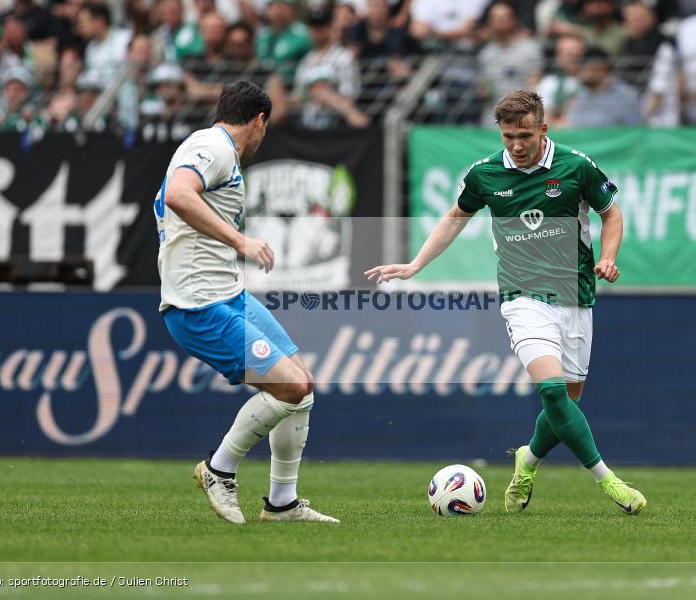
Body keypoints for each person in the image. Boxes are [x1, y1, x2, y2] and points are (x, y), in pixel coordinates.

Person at [365, 89, 647, 516]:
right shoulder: (485, 174)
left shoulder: (577, 166)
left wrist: (607, 258)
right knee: (552, 392)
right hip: (522, 296)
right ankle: (610, 482)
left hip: (575, 296)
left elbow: (612, 213)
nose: (516, 145)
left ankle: (527, 461)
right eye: (508, 136)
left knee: (566, 401)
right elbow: (454, 218)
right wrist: (415, 264)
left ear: (543, 130)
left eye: (525, 136)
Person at [156, 81, 339, 525]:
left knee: (301, 383)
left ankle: (281, 503)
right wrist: (241, 240)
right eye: (266, 128)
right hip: (198, 304)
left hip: (227, 294)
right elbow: (179, 195)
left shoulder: (217, 153)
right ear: (259, 121)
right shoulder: (212, 146)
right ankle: (219, 469)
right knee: (290, 387)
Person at [477, 1, 543, 126]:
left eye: (503, 17)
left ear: (514, 20)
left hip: (522, 118)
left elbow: (535, 84)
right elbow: (484, 87)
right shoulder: (486, 53)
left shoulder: (530, 48)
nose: (499, 22)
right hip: (491, 119)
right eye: (494, 18)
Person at [566, 46, 642, 127]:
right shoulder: (579, 96)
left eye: (583, 65)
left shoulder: (626, 97)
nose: (578, 70)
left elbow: (635, 132)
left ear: (600, 67)